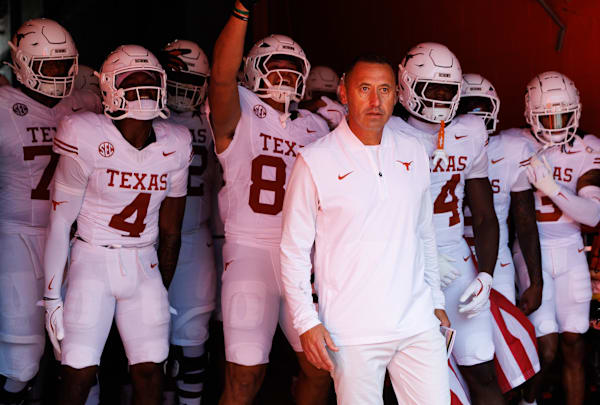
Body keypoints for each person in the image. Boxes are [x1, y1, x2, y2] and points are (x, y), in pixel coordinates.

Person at [280, 53, 451, 405]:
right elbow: (293, 250)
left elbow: (424, 235)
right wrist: (306, 322)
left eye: (385, 89)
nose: (375, 101)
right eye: (365, 89)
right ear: (344, 93)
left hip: (417, 324)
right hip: (351, 332)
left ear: (397, 95)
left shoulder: (415, 152)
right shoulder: (315, 160)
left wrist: (435, 301)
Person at [41, 44, 192, 405]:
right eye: (131, 79)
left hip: (144, 263)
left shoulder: (176, 142)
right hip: (92, 259)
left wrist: (160, 286)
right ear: (110, 86)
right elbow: (60, 221)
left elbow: (171, 232)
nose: (141, 87)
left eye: (149, 79)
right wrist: (51, 297)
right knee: (78, 374)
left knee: (150, 372)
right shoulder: (85, 132)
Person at [208, 2, 332, 404]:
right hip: (250, 251)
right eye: (276, 65)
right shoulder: (240, 109)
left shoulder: (316, 125)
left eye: (294, 67)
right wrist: (242, 12)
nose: (287, 74)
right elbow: (222, 79)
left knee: (321, 368)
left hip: (302, 255)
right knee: (244, 378)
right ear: (254, 68)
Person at [384, 43, 504, 404]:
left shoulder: (469, 132)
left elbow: (484, 215)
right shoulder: (384, 132)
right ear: (406, 86)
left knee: (480, 362)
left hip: (455, 257)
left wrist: (486, 274)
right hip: (403, 261)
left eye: (447, 91)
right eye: (430, 89)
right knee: (401, 375)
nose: (438, 99)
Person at [0, 17, 99, 405]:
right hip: (17, 237)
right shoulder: (5, 107)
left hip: (74, 239)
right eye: (48, 67)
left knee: (80, 353)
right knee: (20, 360)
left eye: (64, 66)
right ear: (22, 63)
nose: (58, 75)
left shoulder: (85, 100)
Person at [510, 71, 600, 405]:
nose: (555, 124)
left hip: (571, 250)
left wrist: (550, 187)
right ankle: (528, 401)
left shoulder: (589, 147)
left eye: (563, 115)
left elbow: (592, 215)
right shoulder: (516, 143)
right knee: (544, 347)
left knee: (574, 343)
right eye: (546, 117)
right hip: (532, 252)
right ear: (529, 115)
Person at [458, 73, 543, 393]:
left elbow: (524, 219)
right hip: (453, 254)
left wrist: (535, 280)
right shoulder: (440, 143)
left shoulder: (511, 148)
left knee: (504, 351)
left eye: (482, 108)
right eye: (468, 109)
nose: (476, 118)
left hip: (497, 260)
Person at [160, 39, 216, 405]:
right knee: (146, 339)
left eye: (191, 82)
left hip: (195, 236)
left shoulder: (216, 119)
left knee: (192, 335)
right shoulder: (141, 116)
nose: (183, 91)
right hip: (147, 238)